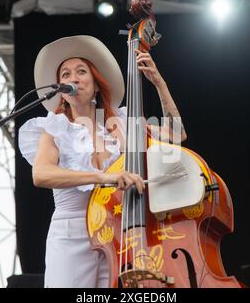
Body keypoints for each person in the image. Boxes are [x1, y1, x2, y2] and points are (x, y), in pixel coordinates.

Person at [18, 35, 187, 288]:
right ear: (60, 90)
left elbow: (177, 134)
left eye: (81, 71)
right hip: (70, 234)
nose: (72, 78)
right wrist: (106, 177)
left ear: (96, 83)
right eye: (65, 74)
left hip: (115, 229)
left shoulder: (121, 122)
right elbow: (41, 174)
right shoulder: (54, 127)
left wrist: (159, 83)